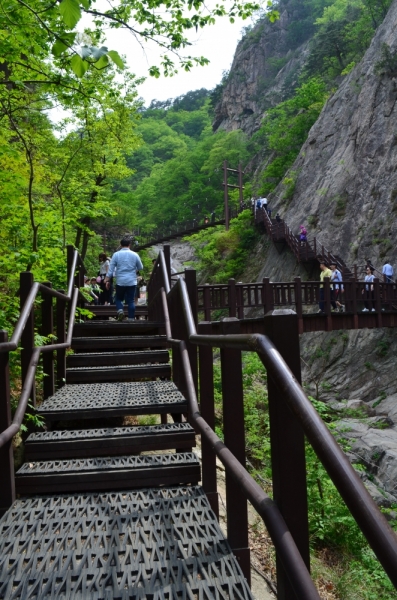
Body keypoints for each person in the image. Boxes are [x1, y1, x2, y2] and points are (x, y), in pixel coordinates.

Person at [105, 237, 143, 321]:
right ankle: (131, 319)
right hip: (131, 281)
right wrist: (134, 270)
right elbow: (140, 267)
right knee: (131, 301)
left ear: (121, 244)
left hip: (120, 281)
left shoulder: (116, 254)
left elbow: (111, 269)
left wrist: (107, 279)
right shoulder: (135, 254)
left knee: (118, 298)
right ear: (130, 245)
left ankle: (120, 310)